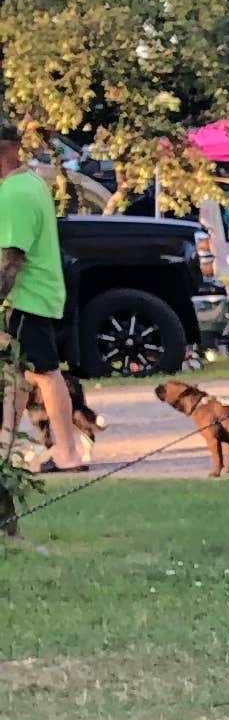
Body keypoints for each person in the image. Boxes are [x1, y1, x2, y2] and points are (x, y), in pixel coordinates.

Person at [0, 113, 88, 474]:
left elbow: (11, 260)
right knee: (15, 377)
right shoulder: (31, 182)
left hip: (26, 297)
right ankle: (4, 448)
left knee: (45, 374)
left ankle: (67, 454)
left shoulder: (14, 194)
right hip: (37, 295)